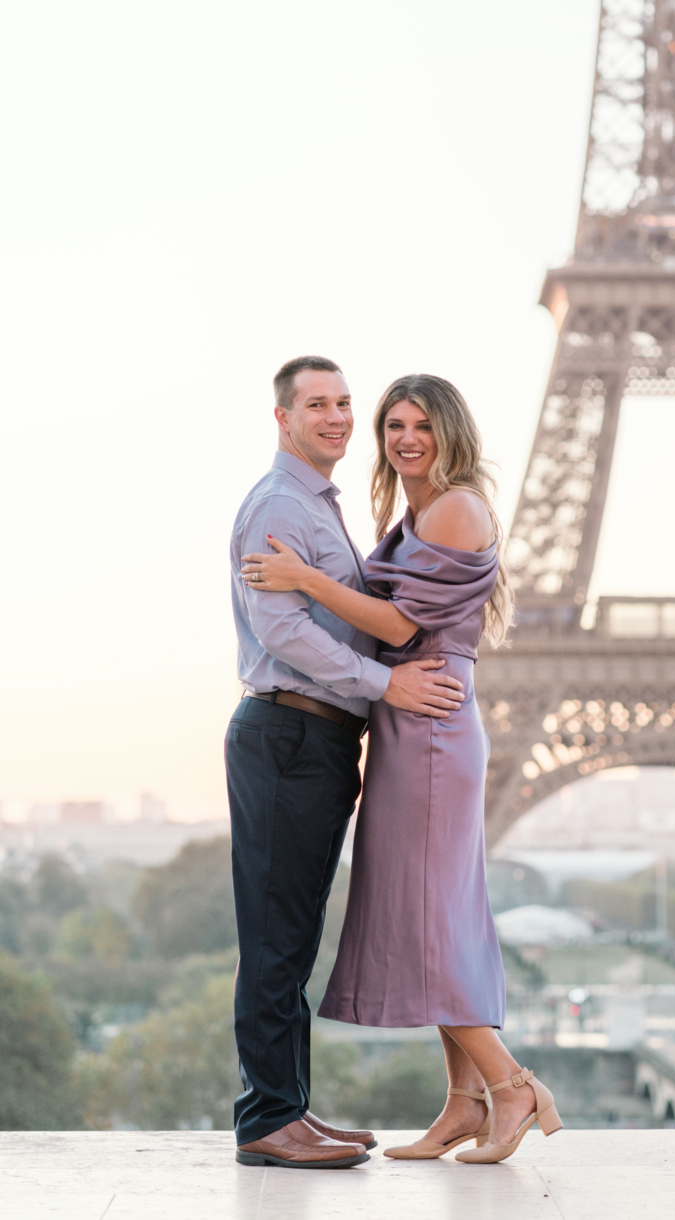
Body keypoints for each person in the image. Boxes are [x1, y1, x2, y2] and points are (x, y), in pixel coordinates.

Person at [241, 373, 562, 1164]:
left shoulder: (451, 507)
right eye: (394, 425)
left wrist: (308, 580)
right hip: (409, 724)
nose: (404, 438)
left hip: (429, 730)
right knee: (438, 912)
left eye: (419, 423)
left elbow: (396, 621)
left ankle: (510, 1084)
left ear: (451, 430)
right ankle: (462, 1104)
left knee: (427, 916)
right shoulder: (412, 512)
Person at [227, 355, 465, 1170]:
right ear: (283, 418)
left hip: (316, 739)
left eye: (341, 403)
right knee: (273, 937)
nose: (333, 417)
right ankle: (266, 1118)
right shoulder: (278, 507)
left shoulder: (319, 509)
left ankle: (289, 1109)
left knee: (291, 937)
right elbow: (283, 632)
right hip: (289, 734)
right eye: (314, 405)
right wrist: (382, 686)